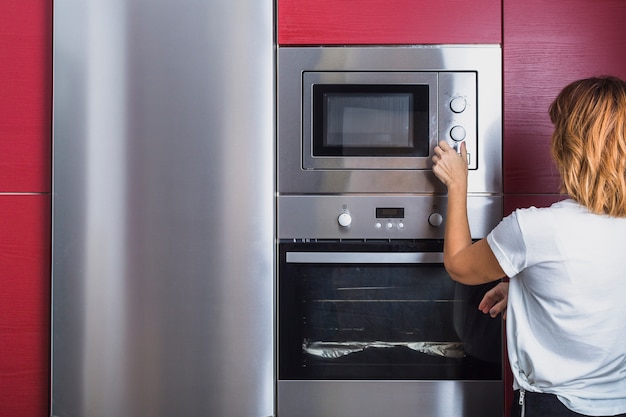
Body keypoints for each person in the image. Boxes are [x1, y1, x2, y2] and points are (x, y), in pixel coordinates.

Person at [431, 76, 626, 417]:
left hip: (553, 407)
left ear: (569, 147)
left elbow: (459, 265)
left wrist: (457, 184)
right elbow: (601, 290)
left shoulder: (534, 228)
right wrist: (528, 290)